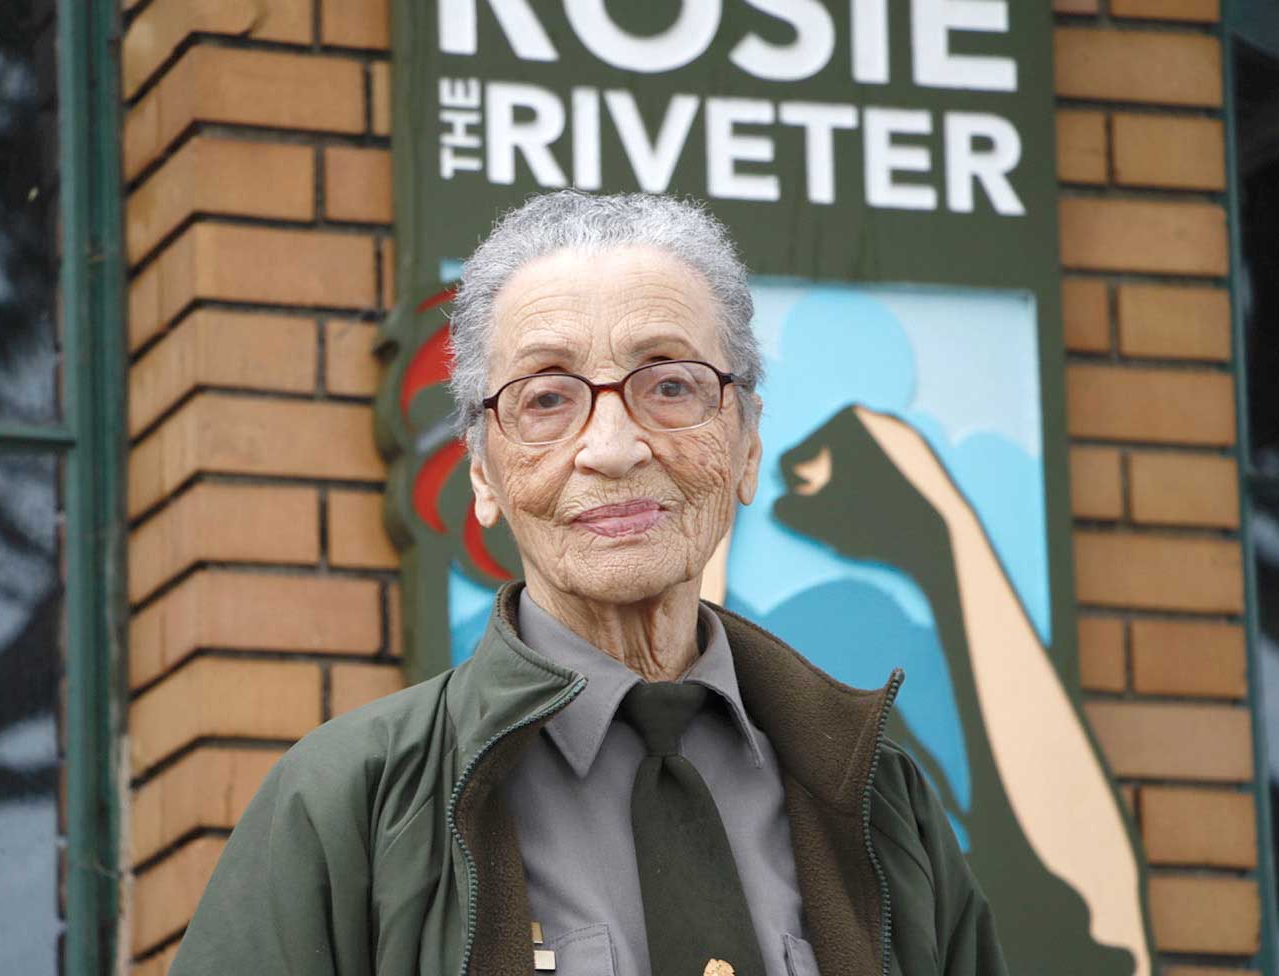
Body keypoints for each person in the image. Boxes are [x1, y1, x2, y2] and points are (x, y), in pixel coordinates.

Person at [170, 191, 1008, 976]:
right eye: (546, 400)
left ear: (747, 445)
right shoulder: (345, 803)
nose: (611, 447)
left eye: (671, 386)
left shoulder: (879, 796)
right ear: (484, 476)